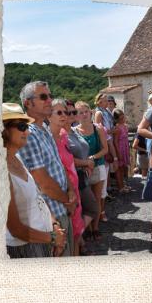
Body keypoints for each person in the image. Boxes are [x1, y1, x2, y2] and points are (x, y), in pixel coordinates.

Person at [15, 81, 75, 254]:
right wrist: (67, 200)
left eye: (49, 95)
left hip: (62, 208)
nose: (49, 100)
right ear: (28, 103)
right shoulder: (29, 134)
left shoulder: (45, 129)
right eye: (43, 97)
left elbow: (58, 164)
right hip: (50, 217)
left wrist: (70, 192)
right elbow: (43, 183)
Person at [4, 103, 66, 258]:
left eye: (26, 126)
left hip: (41, 240)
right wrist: (53, 238)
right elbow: (16, 229)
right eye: (21, 126)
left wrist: (54, 225)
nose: (27, 131)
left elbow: (39, 199)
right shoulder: (1, 171)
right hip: (25, 249)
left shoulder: (17, 158)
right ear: (3, 129)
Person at [60, 99, 98, 254]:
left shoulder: (74, 130)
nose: (71, 115)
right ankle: (75, 237)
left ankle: (78, 239)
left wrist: (87, 163)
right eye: (67, 112)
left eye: (73, 112)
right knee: (91, 208)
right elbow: (65, 159)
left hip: (82, 175)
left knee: (84, 210)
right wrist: (85, 163)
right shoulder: (61, 134)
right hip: (73, 178)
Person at [49, 99, 84, 255]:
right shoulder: (48, 139)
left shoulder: (63, 135)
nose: (65, 115)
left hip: (72, 189)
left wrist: (72, 192)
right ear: (48, 116)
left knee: (75, 235)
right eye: (59, 112)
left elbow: (67, 165)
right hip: (60, 198)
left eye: (66, 112)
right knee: (64, 243)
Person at [74, 101, 109, 238]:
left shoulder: (98, 128)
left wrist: (92, 158)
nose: (83, 115)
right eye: (80, 113)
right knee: (84, 200)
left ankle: (95, 228)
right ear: (76, 116)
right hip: (82, 169)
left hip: (97, 166)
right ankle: (86, 228)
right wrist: (85, 162)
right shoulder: (74, 131)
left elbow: (105, 149)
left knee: (97, 198)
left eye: (85, 112)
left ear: (90, 113)